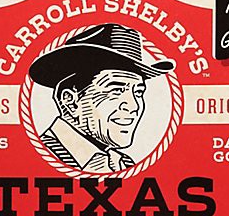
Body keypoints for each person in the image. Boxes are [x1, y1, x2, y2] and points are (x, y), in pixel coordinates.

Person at [29, 23, 175, 173]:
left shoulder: (123, 163)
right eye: (116, 90)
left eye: (138, 92)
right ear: (71, 101)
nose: (134, 106)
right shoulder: (39, 159)